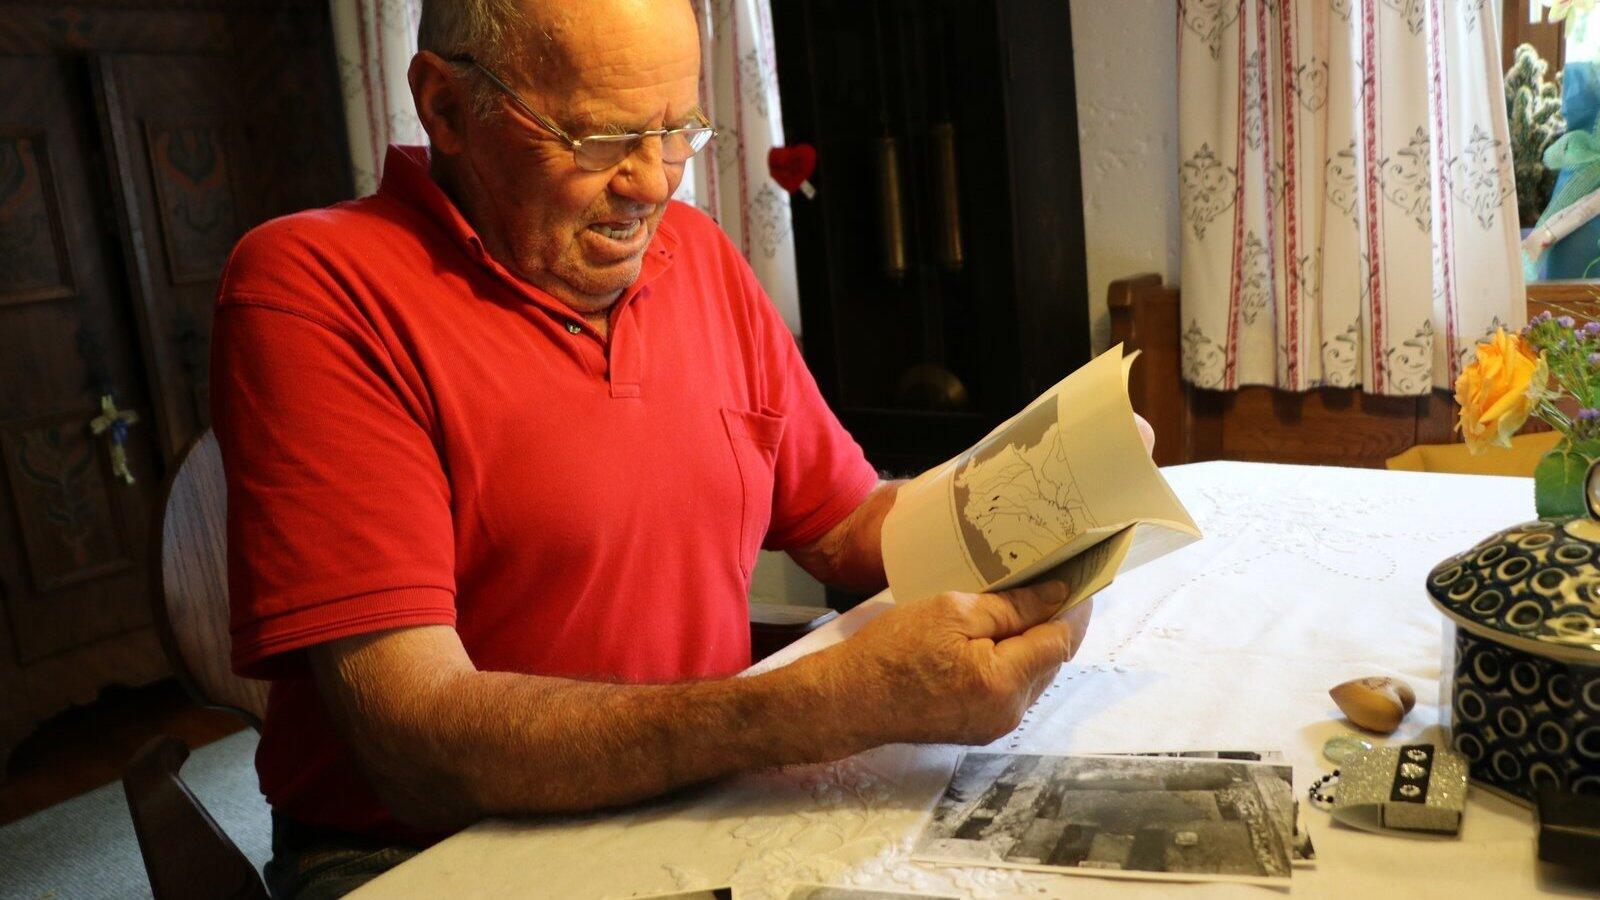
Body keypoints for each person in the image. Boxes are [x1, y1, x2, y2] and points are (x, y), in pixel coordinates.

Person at [211, 1, 1129, 895]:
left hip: (695, 795)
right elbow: (417, 745)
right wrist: (823, 705)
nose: (654, 183)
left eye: (677, 129)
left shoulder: (696, 254)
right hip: (421, 853)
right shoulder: (315, 288)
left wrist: (1049, 489)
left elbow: (845, 523)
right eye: (600, 139)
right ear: (446, 106)